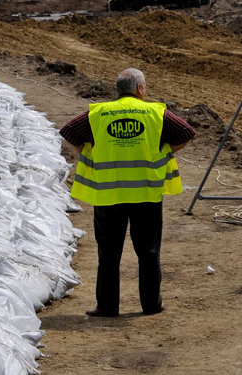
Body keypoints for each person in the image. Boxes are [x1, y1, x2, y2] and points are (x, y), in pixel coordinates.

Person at [60, 68, 196, 317]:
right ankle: (151, 304)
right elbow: (187, 133)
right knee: (149, 252)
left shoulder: (99, 114)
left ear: (117, 90)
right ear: (140, 89)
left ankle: (108, 306)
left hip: (109, 195)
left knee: (109, 253)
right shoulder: (155, 113)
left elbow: (68, 132)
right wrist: (164, 152)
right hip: (146, 193)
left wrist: (88, 153)